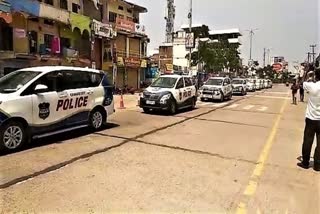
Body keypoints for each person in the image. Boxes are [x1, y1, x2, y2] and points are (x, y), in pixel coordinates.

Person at [297, 68, 320, 171]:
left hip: (311, 118)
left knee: (307, 141)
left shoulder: (312, 86)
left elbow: (301, 82)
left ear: (316, 76)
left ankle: (305, 162)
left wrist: (306, 71)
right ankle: (317, 165)